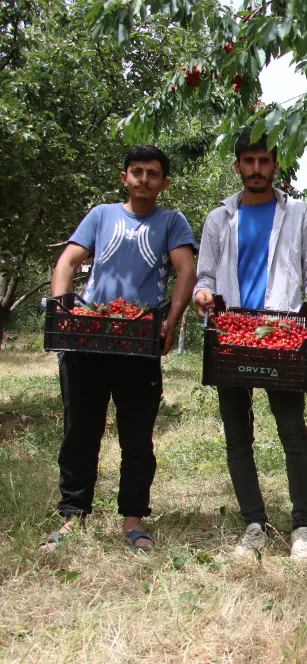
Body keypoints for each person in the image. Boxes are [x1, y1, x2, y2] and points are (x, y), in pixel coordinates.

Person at [39, 144, 196, 553]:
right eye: (137, 171)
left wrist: (171, 320)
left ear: (164, 182)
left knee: (138, 436)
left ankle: (133, 520)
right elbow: (68, 261)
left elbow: (185, 271)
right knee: (80, 431)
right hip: (90, 338)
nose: (144, 179)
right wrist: (63, 309)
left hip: (139, 340)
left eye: (153, 173)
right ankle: (73, 517)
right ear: (125, 176)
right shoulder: (100, 215)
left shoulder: (171, 222)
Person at [194, 130, 307, 560]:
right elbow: (205, 277)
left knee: (292, 429)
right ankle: (254, 522)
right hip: (232, 334)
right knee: (238, 433)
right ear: (237, 166)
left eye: (264, 161)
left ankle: (302, 527)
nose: (256, 169)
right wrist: (202, 294)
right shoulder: (220, 219)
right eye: (248, 161)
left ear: (275, 165)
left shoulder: (298, 214)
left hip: (282, 333)